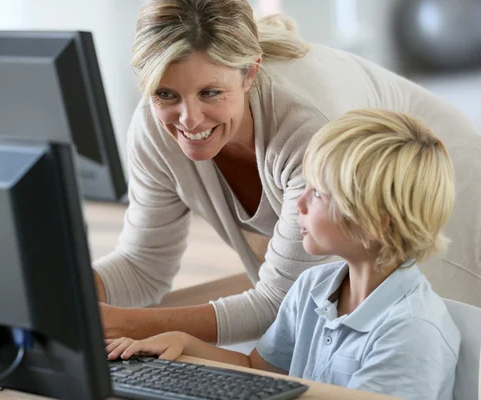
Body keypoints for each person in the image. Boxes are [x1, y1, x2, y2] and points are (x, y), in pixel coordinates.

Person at [93, 0, 481, 345]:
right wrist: (64, 298)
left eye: (210, 93)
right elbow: (143, 264)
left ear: (249, 74)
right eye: (165, 94)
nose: (188, 119)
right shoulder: (154, 127)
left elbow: (280, 302)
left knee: (432, 349)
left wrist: (127, 324)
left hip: (437, 190)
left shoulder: (309, 126)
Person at [105, 109, 461, 400]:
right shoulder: (314, 285)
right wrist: (183, 343)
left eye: (319, 194)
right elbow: (261, 370)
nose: (300, 204)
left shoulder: (412, 332)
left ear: (375, 223)